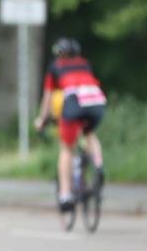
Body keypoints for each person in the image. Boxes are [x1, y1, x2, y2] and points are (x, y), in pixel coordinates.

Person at [34, 38, 106, 212]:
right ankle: (98, 165)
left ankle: (65, 194)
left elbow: (48, 97)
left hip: (75, 102)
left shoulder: (55, 67)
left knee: (67, 148)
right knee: (88, 133)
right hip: (96, 101)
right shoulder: (85, 64)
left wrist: (42, 119)